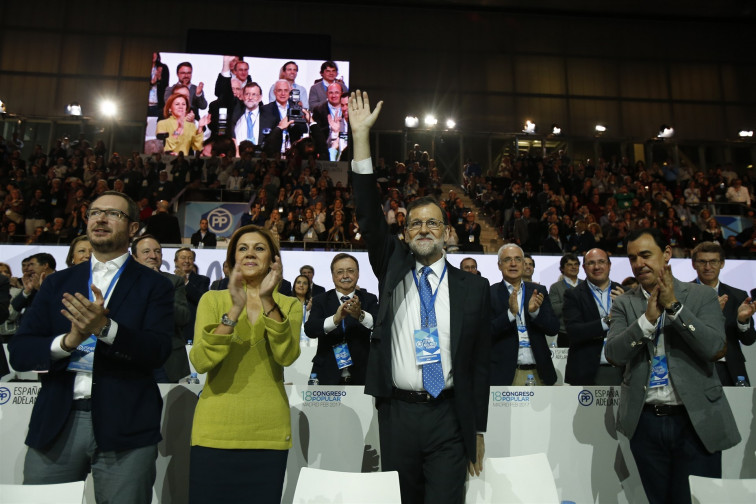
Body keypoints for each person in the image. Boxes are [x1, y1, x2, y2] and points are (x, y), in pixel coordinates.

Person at [349, 90, 490, 503]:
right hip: (399, 414)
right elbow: (368, 216)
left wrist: (477, 428)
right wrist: (361, 138)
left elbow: (479, 366)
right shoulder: (392, 266)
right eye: (415, 224)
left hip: (449, 415)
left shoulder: (474, 288)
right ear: (404, 234)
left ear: (448, 233)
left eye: (433, 223)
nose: (424, 229)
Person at [8, 191, 173, 503]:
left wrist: (105, 329)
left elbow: (157, 349)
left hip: (126, 425)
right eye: (94, 212)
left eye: (113, 214)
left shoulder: (155, 285)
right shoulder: (57, 283)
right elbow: (20, 351)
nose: (100, 218)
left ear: (134, 228)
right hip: (57, 421)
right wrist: (68, 341)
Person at [605, 227, 741, 504]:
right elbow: (614, 354)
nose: (639, 264)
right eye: (632, 258)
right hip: (646, 423)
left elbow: (714, 348)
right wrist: (646, 321)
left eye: (645, 255)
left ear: (666, 254)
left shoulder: (701, 296)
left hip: (697, 420)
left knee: (697, 499)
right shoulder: (624, 304)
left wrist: (675, 308)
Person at [188, 225, 301, 504]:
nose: (250, 253)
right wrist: (234, 311)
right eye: (243, 248)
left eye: (259, 248)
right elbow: (201, 361)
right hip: (214, 431)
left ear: (274, 261)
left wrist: (266, 299)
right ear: (231, 261)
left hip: (268, 433)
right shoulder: (212, 299)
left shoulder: (289, 305)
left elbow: (286, 355)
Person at [490, 244, 559, 385]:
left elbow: (553, 328)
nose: (513, 264)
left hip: (539, 372)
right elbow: (486, 333)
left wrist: (535, 313)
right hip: (505, 375)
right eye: (508, 259)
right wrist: (510, 314)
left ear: (523, 263)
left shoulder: (538, 291)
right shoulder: (490, 293)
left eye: (518, 259)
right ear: (499, 265)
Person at [304, 253, 378, 385]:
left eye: (350, 271)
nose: (345, 276)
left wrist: (360, 315)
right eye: (340, 272)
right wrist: (335, 320)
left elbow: (380, 325)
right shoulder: (320, 300)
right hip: (326, 372)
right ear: (333, 276)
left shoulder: (369, 299)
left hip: (362, 372)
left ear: (358, 273)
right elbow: (310, 330)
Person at [690, 241, 756, 385]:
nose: (708, 267)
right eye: (702, 262)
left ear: (722, 264)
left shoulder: (738, 295)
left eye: (713, 261)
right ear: (694, 264)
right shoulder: (682, 295)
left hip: (731, 369)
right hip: (695, 368)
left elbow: (749, 340)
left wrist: (742, 321)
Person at [131, 234, 192, 383]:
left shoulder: (174, 281)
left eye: (157, 251)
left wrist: (158, 288)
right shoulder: (125, 283)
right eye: (146, 252)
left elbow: (183, 317)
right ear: (134, 257)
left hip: (166, 360)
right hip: (132, 356)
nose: (153, 256)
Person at [563, 248, 625, 385]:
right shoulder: (573, 295)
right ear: (584, 268)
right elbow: (573, 331)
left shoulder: (624, 293)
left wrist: (625, 307)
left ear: (609, 265)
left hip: (623, 370)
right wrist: (608, 321)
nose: (597, 267)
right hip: (586, 371)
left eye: (601, 262)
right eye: (591, 263)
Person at [174, 247, 210, 342]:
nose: (187, 261)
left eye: (190, 258)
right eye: (183, 257)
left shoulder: (203, 280)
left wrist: (186, 281)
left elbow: (202, 299)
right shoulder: (168, 280)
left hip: (191, 329)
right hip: (172, 329)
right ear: (176, 261)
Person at [548, 253, 581, 348]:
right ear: (562, 268)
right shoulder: (555, 287)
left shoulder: (586, 285)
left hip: (585, 331)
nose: (573, 267)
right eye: (569, 265)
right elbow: (553, 310)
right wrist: (571, 302)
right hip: (564, 333)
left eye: (576, 264)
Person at [292, 273, 312, 342]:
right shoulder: (288, 303)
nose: (301, 285)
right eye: (298, 282)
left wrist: (309, 311)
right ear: (294, 285)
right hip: (292, 339)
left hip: (309, 342)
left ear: (308, 287)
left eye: (305, 283)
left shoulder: (312, 304)